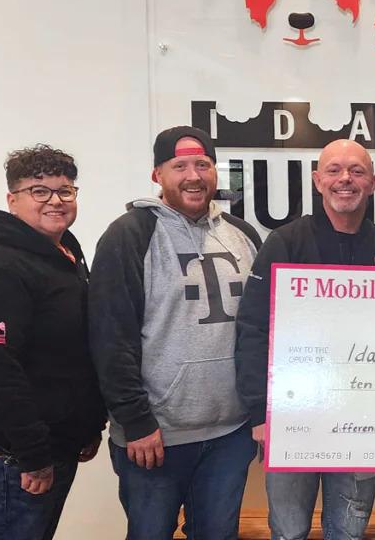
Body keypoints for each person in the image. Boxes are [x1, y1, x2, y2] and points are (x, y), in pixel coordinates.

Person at [90, 126, 262, 539]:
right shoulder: (129, 235)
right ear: (157, 174)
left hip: (230, 435)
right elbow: (110, 336)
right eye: (179, 165)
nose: (193, 176)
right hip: (156, 436)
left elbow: (259, 329)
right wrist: (135, 421)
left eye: (203, 164)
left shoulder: (243, 235)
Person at [235, 139, 375, 540]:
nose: (344, 179)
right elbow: (253, 328)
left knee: (348, 533)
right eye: (333, 170)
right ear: (317, 180)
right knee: (289, 532)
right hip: (292, 415)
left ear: (374, 182)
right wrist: (260, 412)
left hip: (363, 419)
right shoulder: (284, 243)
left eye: (356, 171)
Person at [0, 145, 106, 540]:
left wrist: (86, 425)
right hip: (14, 454)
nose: (55, 201)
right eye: (39, 191)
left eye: (65, 190)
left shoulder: (64, 254)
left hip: (55, 442)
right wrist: (32, 454)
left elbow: (73, 350)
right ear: (13, 200)